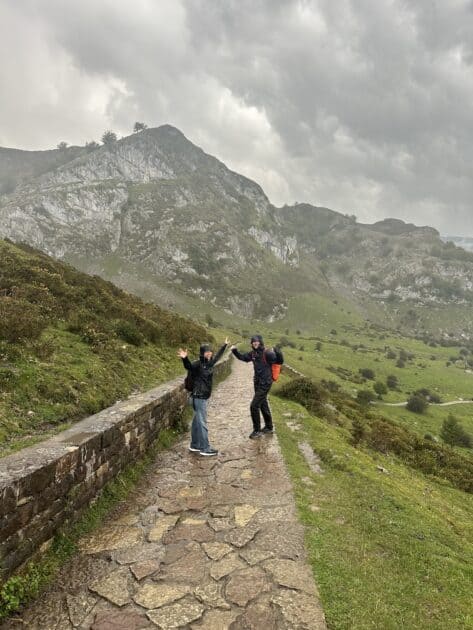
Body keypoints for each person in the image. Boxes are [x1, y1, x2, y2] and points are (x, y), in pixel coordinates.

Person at [178, 338, 228, 456]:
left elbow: (217, 357)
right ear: (202, 352)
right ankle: (205, 448)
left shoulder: (209, 363)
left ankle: (194, 445)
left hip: (201, 397)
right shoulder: (198, 364)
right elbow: (188, 367)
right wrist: (184, 358)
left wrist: (224, 345)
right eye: (206, 351)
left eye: (210, 351)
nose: (209, 353)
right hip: (198, 397)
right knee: (202, 423)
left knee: (196, 422)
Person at [231, 334, 283, 438]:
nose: (255, 343)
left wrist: (278, 352)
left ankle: (257, 430)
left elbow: (279, 361)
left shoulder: (267, 353)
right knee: (263, 403)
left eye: (257, 341)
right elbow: (243, 358)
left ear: (260, 342)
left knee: (254, 405)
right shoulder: (253, 354)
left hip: (265, 383)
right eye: (253, 342)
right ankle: (269, 427)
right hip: (257, 383)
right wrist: (234, 351)